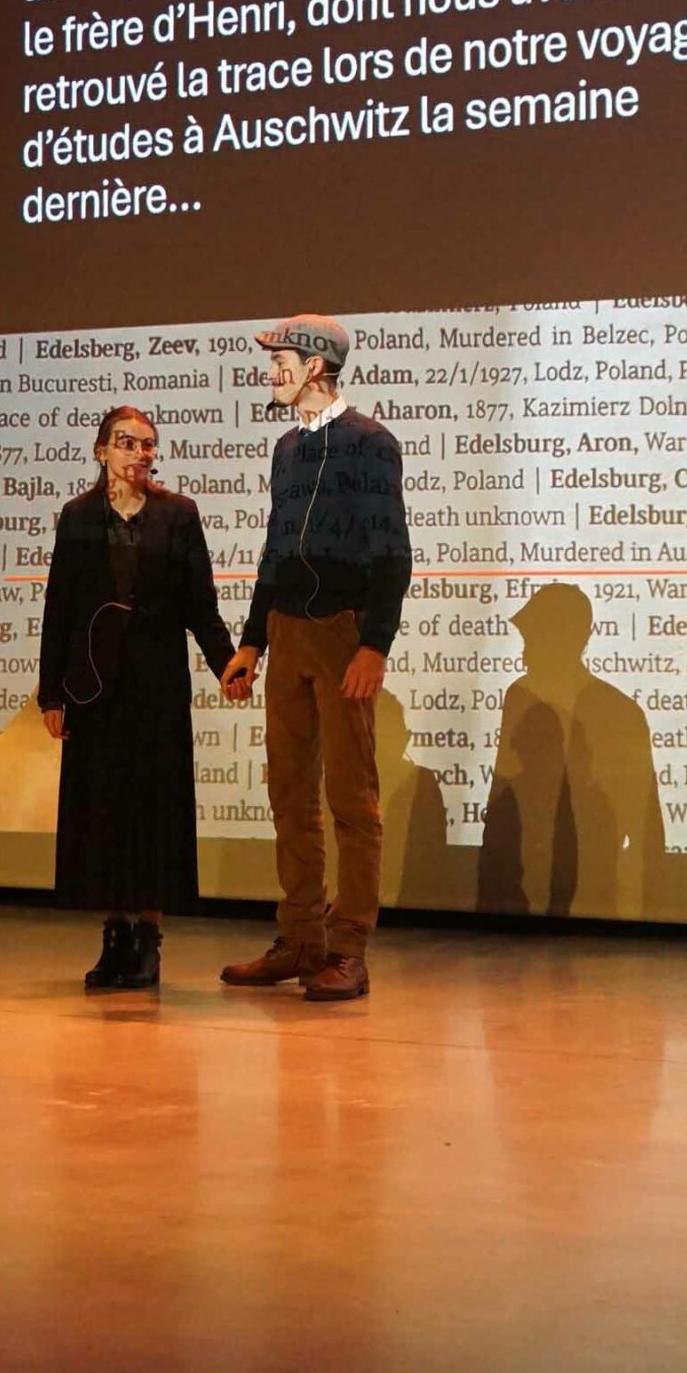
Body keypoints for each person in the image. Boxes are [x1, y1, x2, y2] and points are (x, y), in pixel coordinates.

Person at [218, 316, 412, 1002]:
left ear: (317, 366)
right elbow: (276, 548)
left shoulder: (369, 442)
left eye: (283, 359)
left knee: (351, 798)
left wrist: (374, 644)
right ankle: (301, 938)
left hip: (341, 632)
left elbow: (393, 551)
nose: (273, 370)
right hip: (287, 630)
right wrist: (252, 640)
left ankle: (347, 946)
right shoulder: (286, 449)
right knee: (289, 793)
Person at [37, 405, 237, 991]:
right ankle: (114, 935)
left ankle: (148, 936)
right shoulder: (77, 517)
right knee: (103, 810)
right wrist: (51, 693)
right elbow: (59, 607)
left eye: (148, 444)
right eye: (127, 442)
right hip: (95, 688)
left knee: (154, 810)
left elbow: (200, 604)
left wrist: (228, 664)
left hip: (157, 688)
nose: (140, 453)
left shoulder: (179, 515)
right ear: (101, 451)